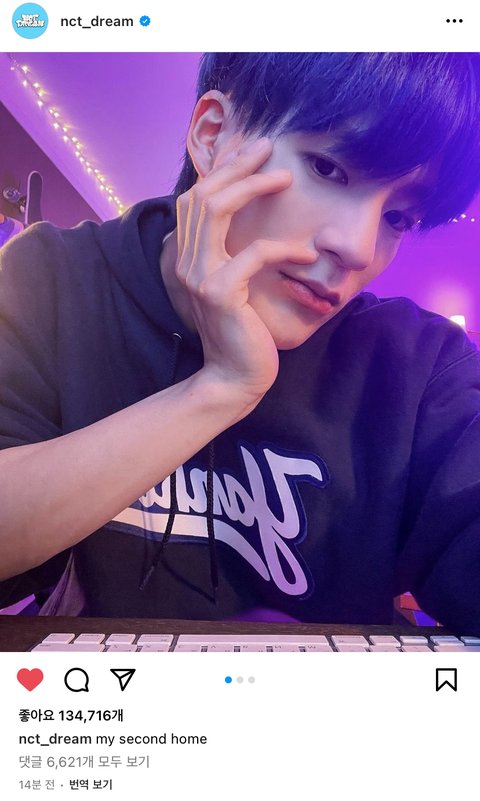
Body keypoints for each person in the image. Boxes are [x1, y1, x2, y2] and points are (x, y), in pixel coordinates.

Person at [0, 53, 479, 629]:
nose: (358, 248)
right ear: (212, 136)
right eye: (328, 168)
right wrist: (222, 387)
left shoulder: (420, 367)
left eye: (397, 218)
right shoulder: (49, 277)